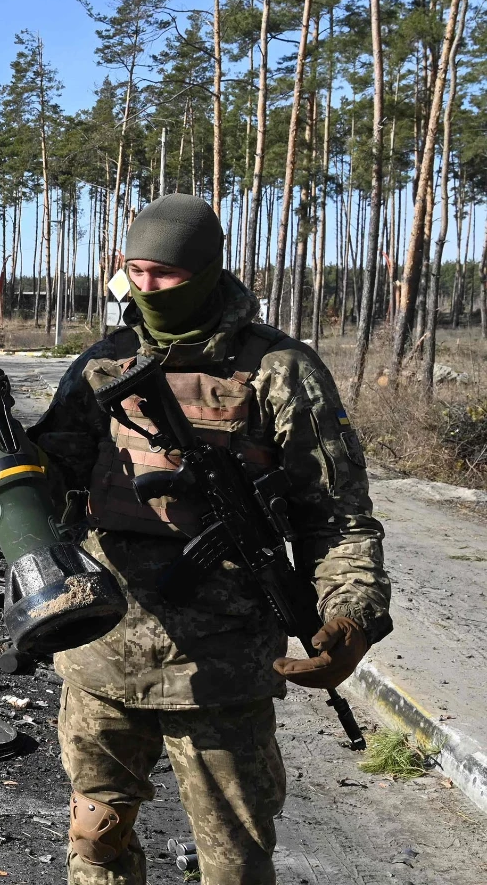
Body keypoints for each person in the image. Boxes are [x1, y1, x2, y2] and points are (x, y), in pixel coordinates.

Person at [27, 193, 391, 885]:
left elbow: (337, 518)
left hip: (222, 672)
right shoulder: (104, 365)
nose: (147, 287)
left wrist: (351, 616)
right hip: (102, 656)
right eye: (134, 270)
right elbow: (47, 483)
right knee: (95, 843)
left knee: (235, 865)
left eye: (165, 274)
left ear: (206, 271)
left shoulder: (281, 370)